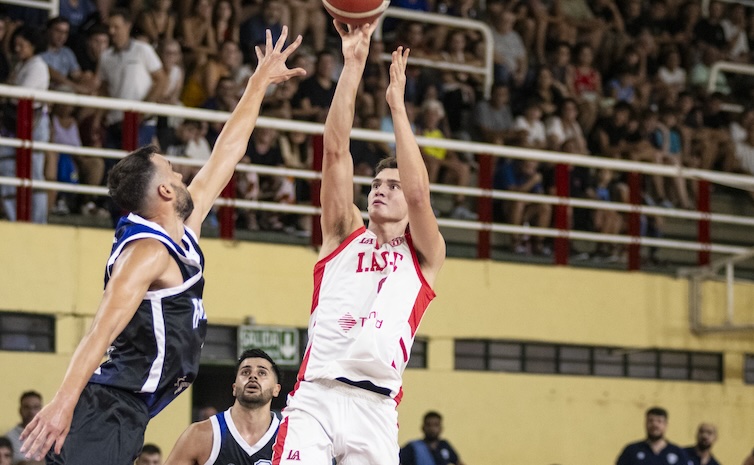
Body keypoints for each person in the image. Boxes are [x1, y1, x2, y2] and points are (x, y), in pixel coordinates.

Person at [17, 27, 305, 465]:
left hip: (130, 408)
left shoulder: (183, 229)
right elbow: (100, 331)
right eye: (172, 171)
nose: (182, 174)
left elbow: (227, 152)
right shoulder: (146, 253)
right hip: (110, 405)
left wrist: (257, 83)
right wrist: (61, 403)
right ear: (164, 194)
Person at [271, 23, 446, 465]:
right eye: (376, 183)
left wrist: (396, 107)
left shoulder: (424, 254)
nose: (380, 189)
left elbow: (420, 192)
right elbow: (334, 151)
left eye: (393, 184)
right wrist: (353, 65)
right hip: (317, 398)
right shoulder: (344, 233)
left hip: (376, 407)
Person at [163, 349, 282, 465]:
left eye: (262, 373)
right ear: (234, 388)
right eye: (245, 372)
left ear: (276, 390)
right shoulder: (201, 434)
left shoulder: (290, 438)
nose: (253, 377)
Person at [616, 407, 692, 465]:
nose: (654, 425)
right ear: (645, 424)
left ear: (666, 425)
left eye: (659, 421)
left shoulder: (678, 453)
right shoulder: (631, 451)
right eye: (650, 421)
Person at [399, 411, 465, 465]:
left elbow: (458, 462)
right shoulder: (413, 447)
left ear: (441, 428)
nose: (432, 429)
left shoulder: (444, 445)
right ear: (423, 427)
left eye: (436, 425)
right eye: (428, 425)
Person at [3, 391, 42, 464]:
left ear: (42, 410)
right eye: (27, 407)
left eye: (36, 407)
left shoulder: (51, 434)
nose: (31, 411)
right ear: (20, 410)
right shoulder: (10, 437)